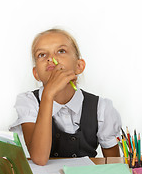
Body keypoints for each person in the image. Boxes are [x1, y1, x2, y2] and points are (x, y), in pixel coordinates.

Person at [10, 28, 121, 165]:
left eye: (61, 51)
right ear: (36, 73)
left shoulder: (101, 108)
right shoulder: (29, 102)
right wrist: (48, 95)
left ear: (79, 66)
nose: (51, 58)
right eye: (42, 55)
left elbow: (113, 165)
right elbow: (39, 158)